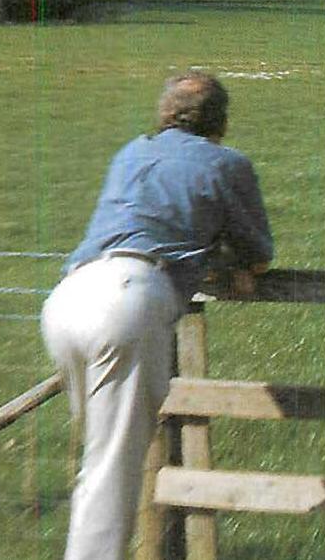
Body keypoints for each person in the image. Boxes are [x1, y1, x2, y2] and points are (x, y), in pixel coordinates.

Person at [41, 72, 274, 560]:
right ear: (222, 120)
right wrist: (226, 264)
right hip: (128, 302)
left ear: (165, 112)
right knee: (111, 473)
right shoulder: (226, 164)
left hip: (68, 298)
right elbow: (258, 256)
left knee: (98, 463)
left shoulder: (131, 152)